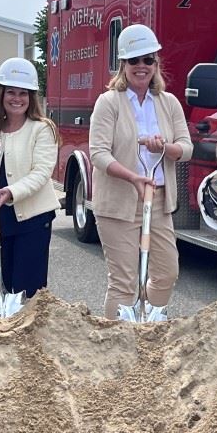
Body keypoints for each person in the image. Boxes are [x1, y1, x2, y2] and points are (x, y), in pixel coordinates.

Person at [89, 24, 193, 319]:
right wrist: (133, 177)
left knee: (167, 272)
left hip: (158, 200)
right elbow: (98, 153)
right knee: (124, 283)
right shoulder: (109, 102)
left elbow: (186, 148)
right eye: (134, 60)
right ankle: (115, 345)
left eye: (148, 60)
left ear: (156, 63)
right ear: (123, 65)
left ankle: (146, 324)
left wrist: (164, 148)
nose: (141, 66)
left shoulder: (168, 102)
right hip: (119, 201)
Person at [0, 58, 60, 297]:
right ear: (1, 95)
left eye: (23, 93)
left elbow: (41, 173)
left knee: (29, 291)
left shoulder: (42, 129)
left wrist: (12, 192)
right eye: (11, 92)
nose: (17, 98)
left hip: (32, 220)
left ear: (31, 97)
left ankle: (29, 335)